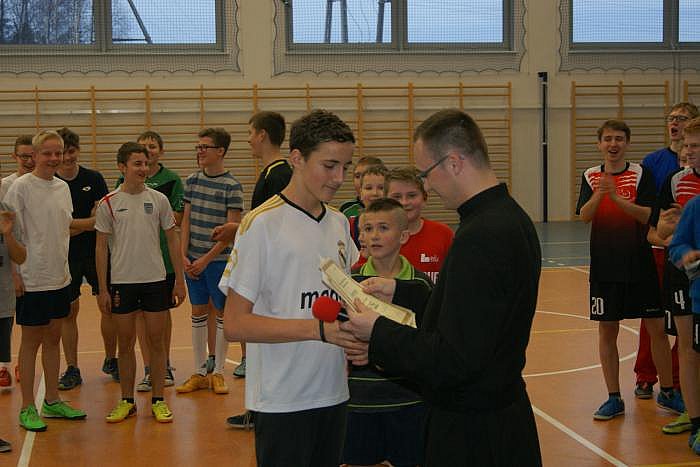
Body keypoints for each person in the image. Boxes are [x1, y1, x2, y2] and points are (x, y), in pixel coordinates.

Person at [342, 108, 543, 466]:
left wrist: (379, 332)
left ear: (453, 162)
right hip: (497, 417)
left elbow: (454, 359)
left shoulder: (482, 235)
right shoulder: (508, 217)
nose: (428, 187)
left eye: (426, 174)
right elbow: (474, 315)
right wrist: (403, 292)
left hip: (474, 433)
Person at [219, 109, 365, 467]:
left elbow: (340, 301)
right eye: (329, 165)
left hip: (334, 392)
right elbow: (235, 324)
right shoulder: (261, 225)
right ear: (297, 158)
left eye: (345, 167)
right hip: (283, 399)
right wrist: (318, 330)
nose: (339, 178)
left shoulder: (338, 222)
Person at [577, 119, 675, 420]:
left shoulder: (641, 173)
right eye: (607, 139)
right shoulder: (590, 175)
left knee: (657, 329)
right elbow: (584, 216)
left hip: (640, 266)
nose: (613, 144)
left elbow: (647, 215)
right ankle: (613, 397)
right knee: (607, 331)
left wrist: (617, 198)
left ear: (627, 143)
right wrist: (600, 193)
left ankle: (668, 392)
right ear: (599, 144)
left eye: (619, 138)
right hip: (605, 269)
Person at [95, 142, 186, 423]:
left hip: (155, 281)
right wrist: (103, 288)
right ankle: (127, 400)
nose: (143, 169)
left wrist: (179, 280)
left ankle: (158, 400)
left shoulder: (159, 200)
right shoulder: (108, 203)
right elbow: (101, 248)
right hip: (122, 283)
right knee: (125, 344)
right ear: (122, 167)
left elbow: (173, 240)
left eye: (145, 164)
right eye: (137, 164)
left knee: (157, 342)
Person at [5, 130, 89, 432]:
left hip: (59, 277)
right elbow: (8, 234)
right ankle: (27, 406)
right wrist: (15, 274)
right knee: (31, 342)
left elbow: (63, 228)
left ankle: (52, 400)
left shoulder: (62, 188)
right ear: (36, 155)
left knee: (54, 339)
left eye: (58, 153)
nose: (54, 158)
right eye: (48, 153)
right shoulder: (20, 188)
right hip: (31, 278)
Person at [343, 197, 433, 467]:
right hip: (359, 401)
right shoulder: (351, 281)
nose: (374, 236)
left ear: (403, 236)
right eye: (368, 229)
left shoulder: (420, 285)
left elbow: (428, 341)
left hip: (409, 401)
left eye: (383, 228)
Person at [225, 111, 292, 429]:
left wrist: (237, 230)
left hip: (271, 273)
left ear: (263, 134)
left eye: (251, 133)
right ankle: (257, 409)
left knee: (266, 346)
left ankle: (266, 411)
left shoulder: (279, 175)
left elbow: (277, 226)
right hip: (264, 270)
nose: (249, 140)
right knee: (258, 348)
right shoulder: (270, 173)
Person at [635, 102, 699, 400]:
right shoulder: (659, 165)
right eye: (671, 118)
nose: (675, 123)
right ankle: (651, 378)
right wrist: (669, 235)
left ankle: (679, 387)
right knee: (656, 321)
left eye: (682, 118)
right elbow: (657, 222)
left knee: (688, 338)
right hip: (669, 255)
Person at [115, 130, 185, 392]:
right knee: (140, 319)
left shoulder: (171, 181)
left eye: (152, 147)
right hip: (133, 266)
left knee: (161, 317)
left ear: (160, 151)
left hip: (162, 262)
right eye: (143, 148)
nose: (148, 152)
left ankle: (163, 365)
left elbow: (176, 218)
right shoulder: (122, 184)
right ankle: (148, 369)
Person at [177, 128, 243, 396]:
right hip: (193, 261)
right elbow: (186, 220)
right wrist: (183, 255)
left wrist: (205, 260)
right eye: (198, 147)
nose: (200, 151)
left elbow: (231, 231)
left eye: (205, 147)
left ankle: (218, 373)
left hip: (218, 262)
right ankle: (199, 371)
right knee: (197, 312)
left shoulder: (232, 186)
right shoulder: (192, 181)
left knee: (222, 312)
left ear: (221, 151)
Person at [654, 118, 700, 441]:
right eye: (686, 145)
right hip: (687, 278)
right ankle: (694, 415)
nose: (687, 151)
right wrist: (680, 242)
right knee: (688, 348)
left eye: (694, 145)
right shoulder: (677, 181)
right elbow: (663, 230)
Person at [54, 127, 109, 390]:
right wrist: (85, 223)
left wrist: (70, 225)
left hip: (96, 251)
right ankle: (72, 367)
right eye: (63, 152)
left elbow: (101, 219)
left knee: (107, 306)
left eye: (71, 151)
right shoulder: (51, 183)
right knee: (69, 312)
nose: (67, 157)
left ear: (78, 150)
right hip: (65, 256)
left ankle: (112, 359)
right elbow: (56, 227)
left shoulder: (94, 178)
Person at [669, 188, 700, 455]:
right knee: (693, 356)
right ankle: (697, 424)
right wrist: (687, 254)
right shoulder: (695, 207)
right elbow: (676, 246)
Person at [385, 167, 454, 283]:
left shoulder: (444, 234)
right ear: (385, 201)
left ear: (424, 198)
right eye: (396, 197)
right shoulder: (376, 237)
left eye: (412, 195)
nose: (404, 202)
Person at [350, 164, 388, 252]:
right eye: (368, 188)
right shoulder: (351, 225)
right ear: (361, 193)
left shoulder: (398, 223)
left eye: (381, 188)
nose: (375, 193)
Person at [0, 135, 35, 202]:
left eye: (33, 156)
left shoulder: (45, 183)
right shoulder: (4, 185)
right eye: (24, 156)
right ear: (14, 156)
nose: (29, 161)